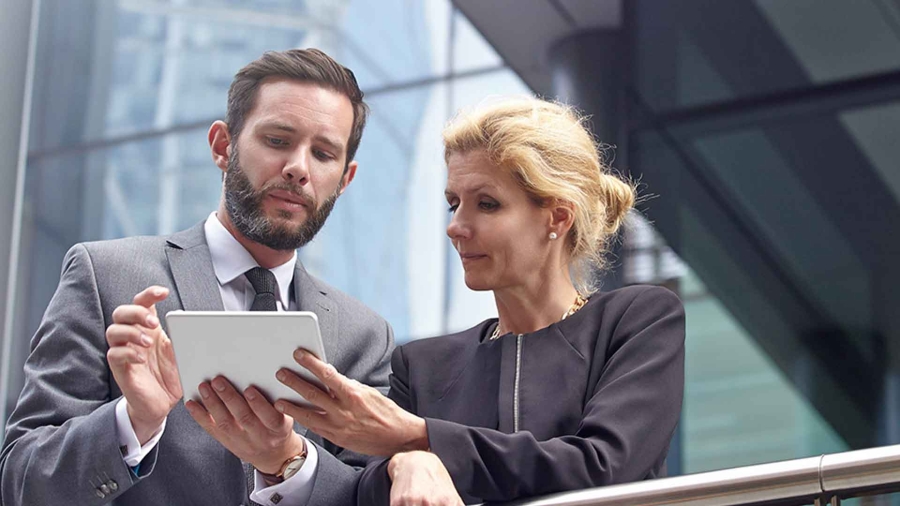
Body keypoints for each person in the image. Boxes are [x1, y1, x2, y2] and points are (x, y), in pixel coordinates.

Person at [0, 48, 395, 506]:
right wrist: (133, 422)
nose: (298, 169)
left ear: (344, 179)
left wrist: (287, 460)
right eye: (277, 140)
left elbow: (370, 495)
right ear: (223, 146)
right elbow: (20, 484)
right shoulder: (105, 276)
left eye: (323, 153)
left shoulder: (364, 339)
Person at [263, 97, 686, 504]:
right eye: (454, 204)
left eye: (487, 204)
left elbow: (605, 466)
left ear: (557, 216)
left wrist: (418, 439)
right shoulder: (423, 365)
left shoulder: (637, 321)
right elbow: (361, 492)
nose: (457, 227)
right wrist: (405, 465)